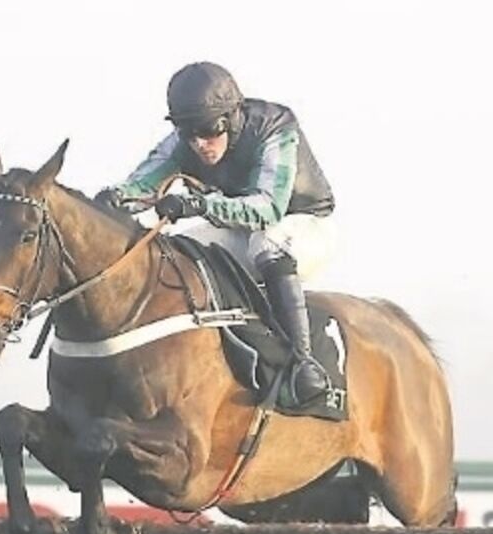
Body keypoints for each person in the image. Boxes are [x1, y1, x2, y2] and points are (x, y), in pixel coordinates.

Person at [95, 62, 337, 404]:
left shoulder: (275, 128)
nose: (199, 143)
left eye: (209, 130)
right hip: (240, 228)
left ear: (232, 117)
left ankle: (303, 365)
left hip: (304, 224)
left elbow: (268, 209)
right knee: (179, 251)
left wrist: (198, 204)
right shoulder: (187, 141)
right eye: (188, 133)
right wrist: (114, 199)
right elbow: (143, 184)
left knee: (267, 244)